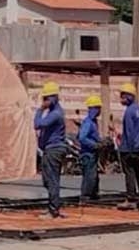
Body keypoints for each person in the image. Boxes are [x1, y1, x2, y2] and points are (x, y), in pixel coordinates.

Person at [33, 82, 69, 218]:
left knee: (51, 179)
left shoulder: (55, 114)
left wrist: (40, 110)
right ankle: (55, 205)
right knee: (48, 180)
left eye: (46, 99)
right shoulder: (55, 112)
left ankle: (53, 209)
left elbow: (38, 124)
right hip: (50, 149)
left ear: (52, 98)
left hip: (53, 150)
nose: (44, 102)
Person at [116, 84, 139, 210]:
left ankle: (131, 198)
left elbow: (131, 132)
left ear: (129, 96)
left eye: (123, 96)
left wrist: (131, 148)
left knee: (129, 173)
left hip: (129, 148)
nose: (121, 98)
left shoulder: (130, 111)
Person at [77, 94, 105, 199]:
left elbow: (94, 136)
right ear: (93, 108)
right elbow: (82, 138)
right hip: (87, 154)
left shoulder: (94, 122)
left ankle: (93, 194)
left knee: (94, 176)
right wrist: (95, 145)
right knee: (89, 175)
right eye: (98, 108)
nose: (99, 110)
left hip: (92, 153)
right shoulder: (88, 123)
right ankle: (86, 195)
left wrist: (101, 142)